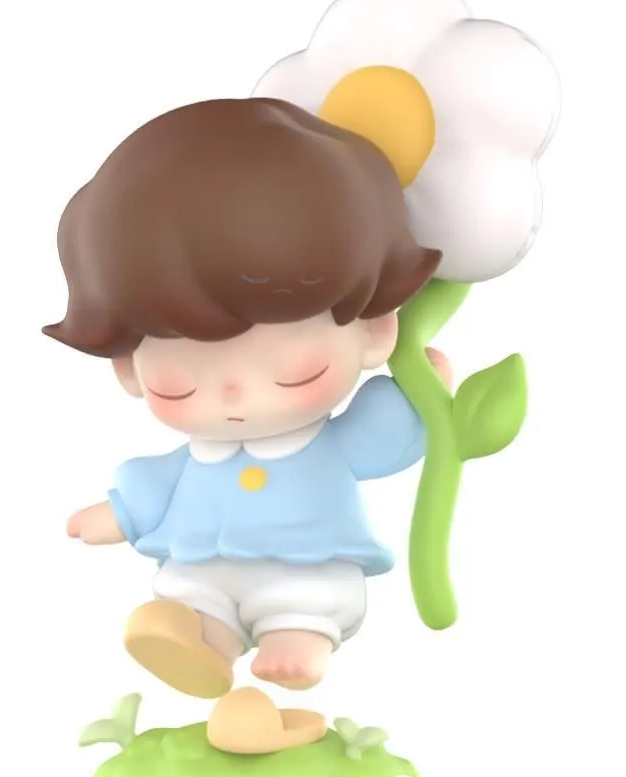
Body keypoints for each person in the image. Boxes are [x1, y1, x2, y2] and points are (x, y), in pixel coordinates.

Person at [44, 97, 451, 699]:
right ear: (129, 368)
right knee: (191, 595)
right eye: (185, 377)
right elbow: (157, 484)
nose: (234, 391)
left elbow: (379, 440)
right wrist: (120, 514)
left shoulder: (325, 448)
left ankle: (300, 636)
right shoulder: (196, 457)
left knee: (306, 599)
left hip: (305, 564)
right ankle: (203, 644)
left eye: (283, 366)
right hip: (202, 565)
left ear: (373, 330)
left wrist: (420, 396)